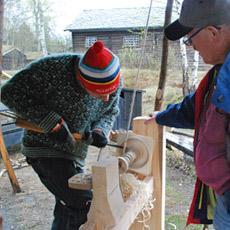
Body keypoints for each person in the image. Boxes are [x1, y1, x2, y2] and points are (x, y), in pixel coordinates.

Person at [1, 40, 122, 230]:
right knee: (83, 203)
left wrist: (100, 130)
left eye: (110, 91)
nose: (106, 98)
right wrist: (51, 123)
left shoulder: (112, 78)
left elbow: (110, 111)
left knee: (67, 208)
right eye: (98, 93)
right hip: (44, 150)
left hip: (74, 153)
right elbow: (9, 93)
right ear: (82, 82)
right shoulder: (51, 70)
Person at [145, 0, 230, 229]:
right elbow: (196, 107)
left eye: (190, 37)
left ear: (213, 32)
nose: (191, 45)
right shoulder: (221, 71)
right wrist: (162, 116)